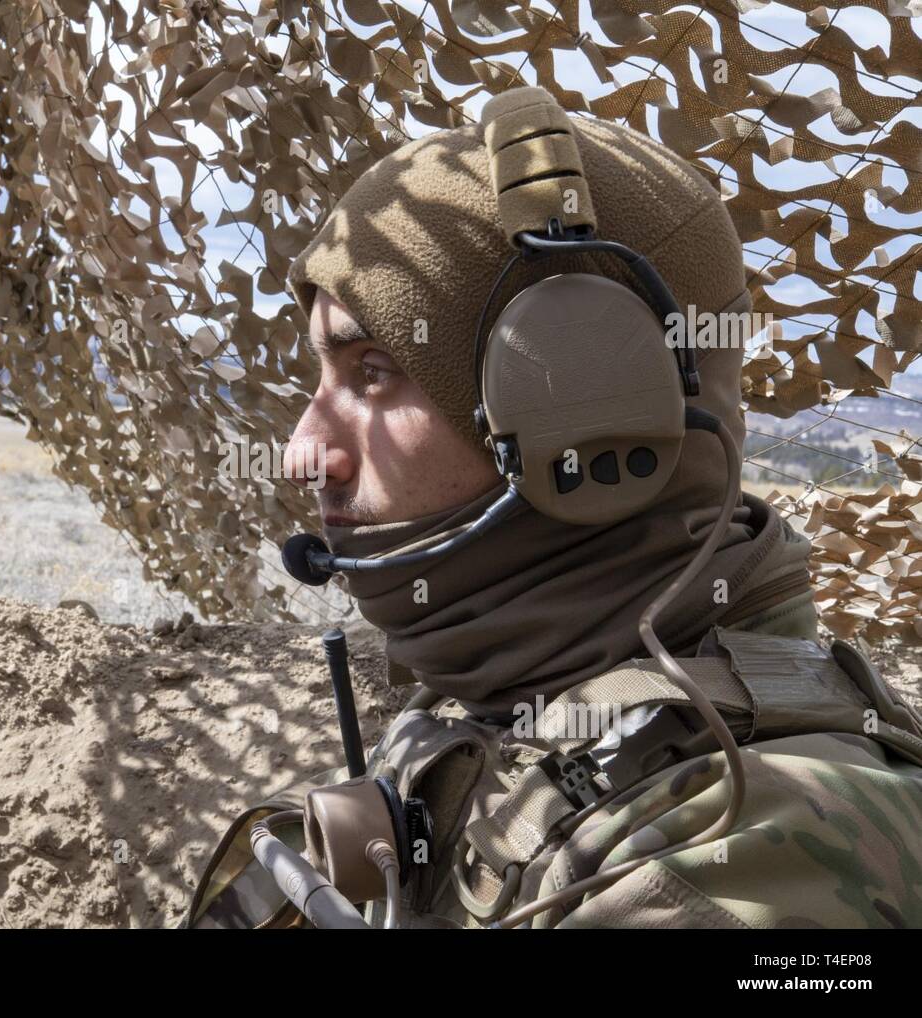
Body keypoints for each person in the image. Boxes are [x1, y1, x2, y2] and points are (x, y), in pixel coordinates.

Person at [183, 87, 922, 929]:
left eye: (375, 372)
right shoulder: (501, 703)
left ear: (588, 406)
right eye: (323, 376)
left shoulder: (749, 846)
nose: (304, 450)